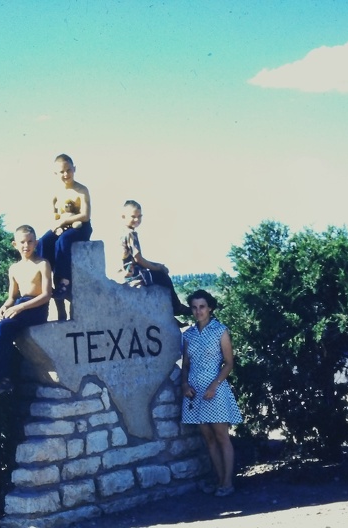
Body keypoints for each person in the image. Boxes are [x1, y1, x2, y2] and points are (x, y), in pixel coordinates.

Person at [0, 225, 52, 396]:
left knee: (3, 328)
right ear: (15, 244)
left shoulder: (42, 264)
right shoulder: (14, 268)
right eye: (22, 242)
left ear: (36, 243)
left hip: (35, 308)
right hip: (18, 304)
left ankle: (3, 378)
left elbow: (47, 295)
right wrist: (4, 307)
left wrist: (20, 307)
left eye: (30, 241)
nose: (26, 245)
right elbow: (11, 297)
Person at [180, 289, 243, 497]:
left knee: (222, 436)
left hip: (214, 390)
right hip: (195, 392)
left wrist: (214, 386)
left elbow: (229, 363)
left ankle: (228, 482)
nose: (198, 311)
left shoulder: (220, 331)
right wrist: (184, 384)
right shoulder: (188, 335)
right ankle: (219, 480)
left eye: (202, 307)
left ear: (210, 308)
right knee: (208, 438)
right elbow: (186, 365)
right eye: (194, 307)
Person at [36, 154, 92, 317]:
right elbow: (53, 215)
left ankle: (64, 282)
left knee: (63, 241)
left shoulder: (81, 190)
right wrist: (57, 226)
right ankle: (48, 284)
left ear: (74, 169)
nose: (66, 174)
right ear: (56, 173)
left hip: (80, 227)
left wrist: (64, 222)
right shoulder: (55, 192)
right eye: (62, 172)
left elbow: (85, 215)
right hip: (61, 226)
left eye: (69, 170)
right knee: (44, 242)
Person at [116, 200, 191, 318]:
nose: (137, 220)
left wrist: (157, 264)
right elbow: (138, 259)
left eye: (139, 216)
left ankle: (171, 316)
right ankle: (177, 307)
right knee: (163, 276)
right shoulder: (130, 234)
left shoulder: (120, 233)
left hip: (124, 273)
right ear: (123, 217)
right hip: (133, 274)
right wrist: (158, 268)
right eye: (133, 216)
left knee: (159, 271)